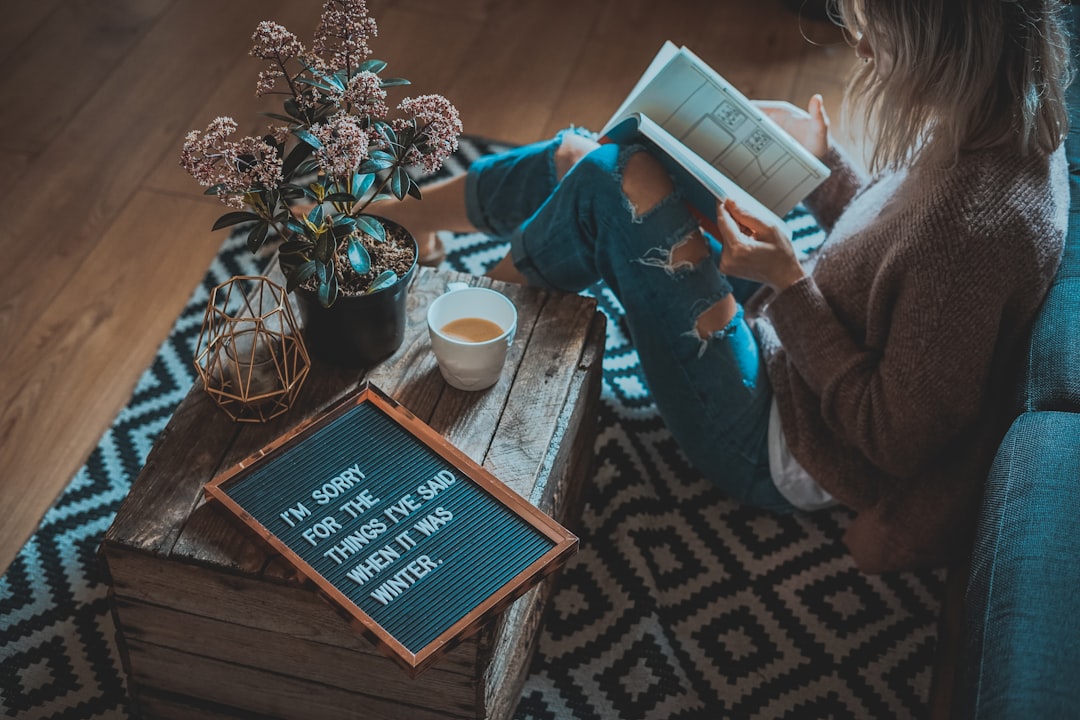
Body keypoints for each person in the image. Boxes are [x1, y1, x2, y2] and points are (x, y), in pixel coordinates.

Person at [376, 0, 1072, 572]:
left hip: (781, 441)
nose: (861, 52)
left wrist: (789, 284)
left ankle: (467, 331)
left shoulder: (979, 230)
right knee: (593, 156)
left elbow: (890, 439)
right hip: (786, 347)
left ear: (951, 44)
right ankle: (411, 222)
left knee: (609, 179)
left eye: (880, 35)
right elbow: (889, 251)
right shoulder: (993, 121)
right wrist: (823, 166)